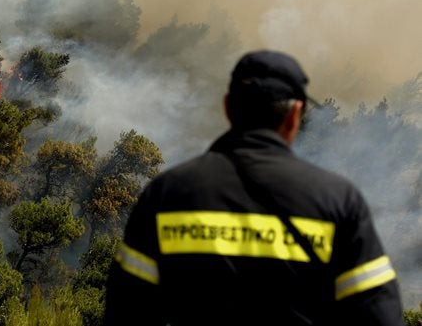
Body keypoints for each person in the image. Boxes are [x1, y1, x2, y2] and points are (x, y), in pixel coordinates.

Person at [104, 50, 403, 326]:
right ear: (295, 114)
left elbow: (126, 311)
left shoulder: (167, 194)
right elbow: (379, 316)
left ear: (227, 108)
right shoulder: (337, 200)